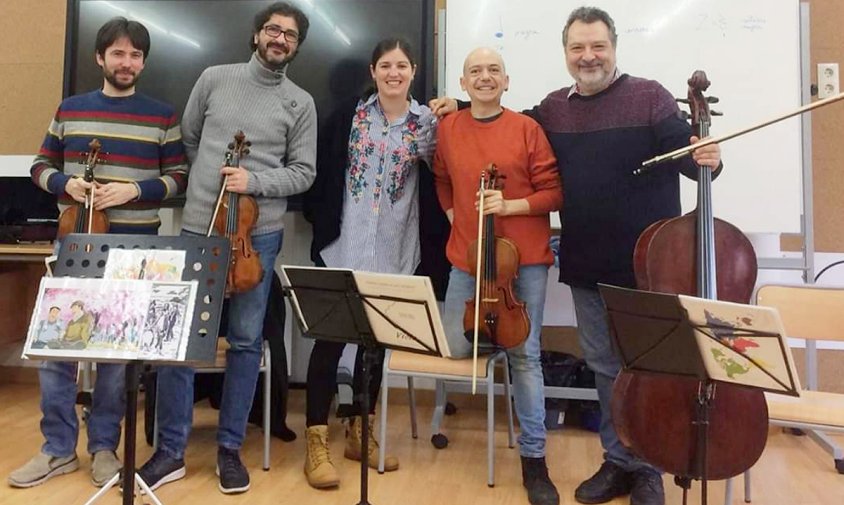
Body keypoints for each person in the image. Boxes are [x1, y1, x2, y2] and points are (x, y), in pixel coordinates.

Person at [430, 7, 724, 505]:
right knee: (606, 366)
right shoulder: (554, 108)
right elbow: (502, 119)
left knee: (648, 368)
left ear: (613, 48)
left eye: (597, 46)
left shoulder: (648, 96)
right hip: (588, 259)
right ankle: (618, 462)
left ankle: (647, 470)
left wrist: (708, 159)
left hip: (647, 263)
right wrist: (458, 101)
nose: (588, 56)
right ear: (566, 54)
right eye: (577, 48)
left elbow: (689, 156)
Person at [139, 1, 317, 495]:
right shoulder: (214, 77)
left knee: (244, 342)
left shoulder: (300, 103)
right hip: (199, 229)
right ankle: (171, 451)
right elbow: (191, 142)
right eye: (272, 30)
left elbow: (304, 172)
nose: (280, 39)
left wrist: (252, 180)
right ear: (257, 35)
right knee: (179, 343)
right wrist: (212, 191)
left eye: (290, 35)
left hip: (257, 237)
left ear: (297, 46)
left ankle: (229, 450)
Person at [9, 16, 188, 489]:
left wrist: (132, 191)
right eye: (118, 54)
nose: (127, 62)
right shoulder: (70, 109)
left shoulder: (163, 115)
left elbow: (179, 179)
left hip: (135, 251)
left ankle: (104, 446)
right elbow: (40, 166)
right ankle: (57, 449)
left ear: (142, 62)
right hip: (75, 245)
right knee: (56, 352)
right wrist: (67, 182)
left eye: (135, 55)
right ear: (100, 58)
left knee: (116, 358)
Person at [301, 37, 436, 489]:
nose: (393, 73)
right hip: (344, 247)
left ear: (413, 70)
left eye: (401, 65)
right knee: (329, 342)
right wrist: (320, 232)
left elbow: (445, 177)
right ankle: (316, 440)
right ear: (373, 71)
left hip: (396, 250)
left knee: (375, 344)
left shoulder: (429, 124)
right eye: (385, 65)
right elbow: (319, 176)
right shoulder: (349, 118)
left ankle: (361, 429)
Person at [433, 47, 562, 505]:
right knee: (454, 342)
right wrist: (455, 217)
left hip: (523, 260)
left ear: (507, 82)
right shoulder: (448, 127)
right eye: (475, 72)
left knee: (525, 356)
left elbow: (553, 192)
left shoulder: (528, 129)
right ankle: (453, 415)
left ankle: (534, 458)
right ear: (463, 85)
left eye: (493, 71)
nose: (484, 78)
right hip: (467, 258)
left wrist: (509, 206)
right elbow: (442, 177)